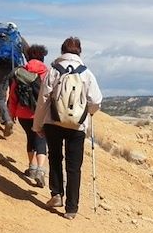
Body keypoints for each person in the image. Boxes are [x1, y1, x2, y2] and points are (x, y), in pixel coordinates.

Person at [32, 37, 102, 220]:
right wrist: (87, 113)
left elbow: (43, 100)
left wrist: (37, 124)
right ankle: (71, 208)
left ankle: (56, 194)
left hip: (53, 122)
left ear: (62, 51)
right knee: (74, 166)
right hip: (77, 126)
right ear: (79, 51)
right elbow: (96, 101)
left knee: (55, 158)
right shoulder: (86, 73)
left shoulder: (54, 70)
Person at [8, 44, 49, 187]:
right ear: (43, 57)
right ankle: (41, 170)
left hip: (22, 114)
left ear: (28, 57)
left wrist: (11, 113)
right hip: (40, 113)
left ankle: (31, 168)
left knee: (30, 138)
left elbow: (13, 95)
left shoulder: (20, 72)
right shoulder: (46, 73)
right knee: (41, 140)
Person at [0, 22, 29, 138]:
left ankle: (7, 120)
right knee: (13, 95)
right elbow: (29, 54)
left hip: (1, 70)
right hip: (17, 70)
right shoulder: (18, 38)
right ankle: (10, 117)